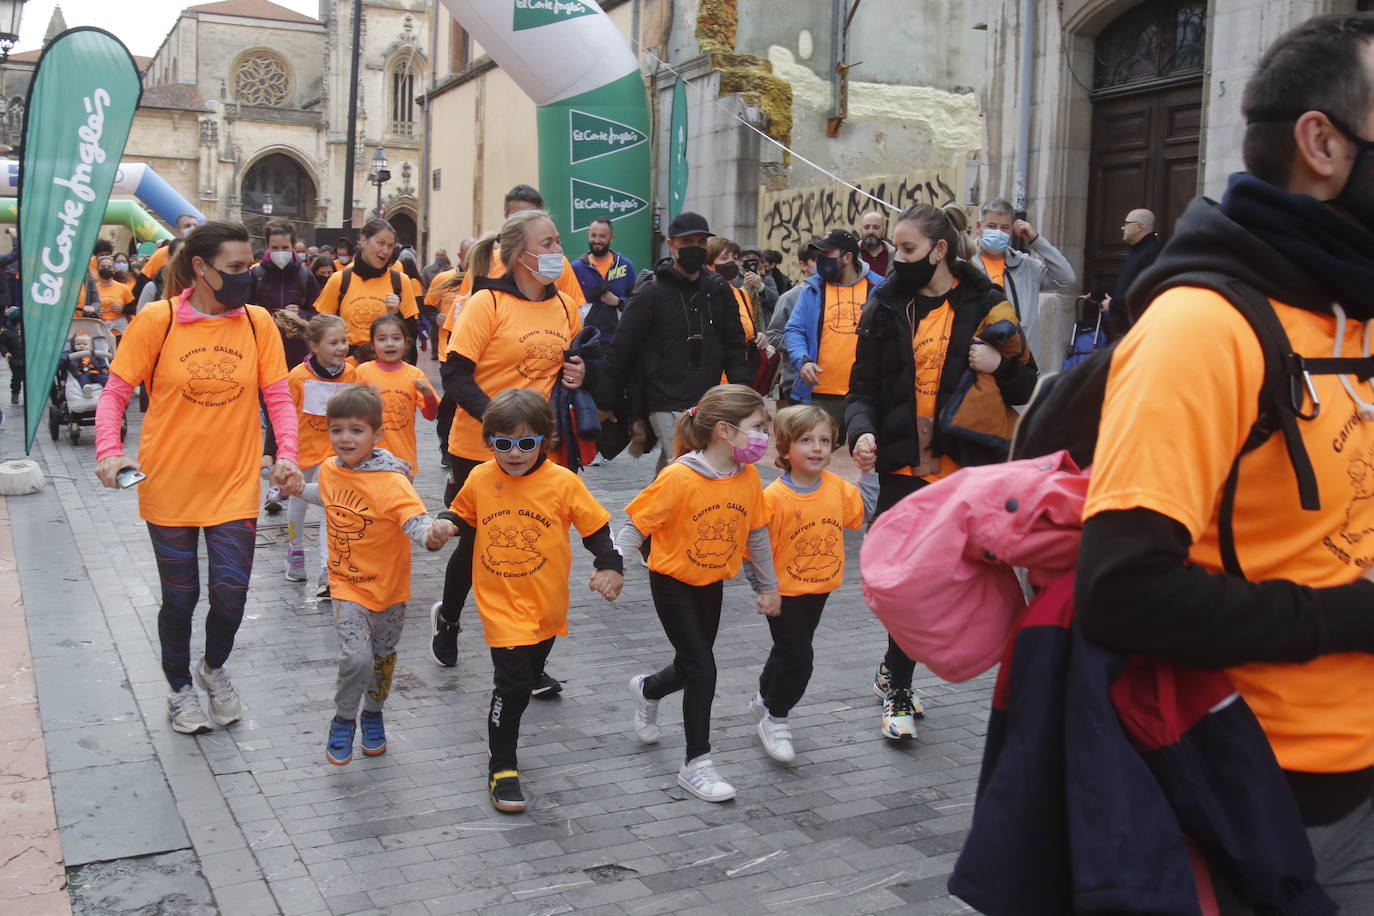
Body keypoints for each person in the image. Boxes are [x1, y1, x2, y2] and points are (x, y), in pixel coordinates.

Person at [1077, 12, 1374, 909]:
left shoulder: (1353, 307)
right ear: (1322, 142)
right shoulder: (1199, 327)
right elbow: (1123, 590)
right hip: (1266, 793)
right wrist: (1353, 619)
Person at [94, 220, 303, 735]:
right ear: (200, 269)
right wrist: (109, 451)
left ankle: (212, 669)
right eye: (235, 268)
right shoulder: (157, 321)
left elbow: (277, 397)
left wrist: (289, 454)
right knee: (181, 596)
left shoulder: (256, 323)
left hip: (234, 486)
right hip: (169, 485)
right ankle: (180, 690)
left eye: (248, 266)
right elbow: (115, 392)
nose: (247, 276)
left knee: (231, 594)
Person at [847, 203, 1037, 741]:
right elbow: (862, 388)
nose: (896, 259)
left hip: (966, 471)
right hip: (904, 470)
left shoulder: (987, 305)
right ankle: (900, 683)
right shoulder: (885, 306)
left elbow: (1024, 386)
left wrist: (1000, 367)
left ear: (938, 251)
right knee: (908, 582)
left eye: (907, 250)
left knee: (967, 582)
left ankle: (927, 672)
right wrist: (861, 431)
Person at [437, 389, 623, 811]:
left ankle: (529, 679)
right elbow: (461, 513)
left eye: (526, 442)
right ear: (489, 443)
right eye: (503, 444)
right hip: (500, 604)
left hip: (547, 604)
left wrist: (611, 564)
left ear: (545, 439)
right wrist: (444, 526)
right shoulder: (483, 477)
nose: (515, 453)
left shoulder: (563, 482)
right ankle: (502, 764)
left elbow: (595, 528)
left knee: (530, 669)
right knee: (513, 684)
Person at [430, 208, 588, 685]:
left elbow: (571, 361)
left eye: (558, 241)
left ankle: (530, 661)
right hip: (481, 444)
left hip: (541, 447)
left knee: (537, 542)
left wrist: (579, 374)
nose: (558, 251)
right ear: (521, 256)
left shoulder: (562, 305)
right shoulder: (486, 304)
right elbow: (455, 375)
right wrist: (502, 423)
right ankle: (451, 617)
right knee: (478, 540)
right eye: (548, 243)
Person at [620, 384, 779, 802]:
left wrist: (767, 586)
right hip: (672, 584)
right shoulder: (679, 477)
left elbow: (756, 535)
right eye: (757, 427)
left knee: (692, 666)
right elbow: (635, 525)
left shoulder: (748, 478)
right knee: (703, 668)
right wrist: (613, 565)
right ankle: (696, 763)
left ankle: (648, 689)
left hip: (711, 584)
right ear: (725, 431)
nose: (763, 436)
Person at [288, 385, 453, 765]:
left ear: (376, 435)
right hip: (346, 585)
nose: (346, 438)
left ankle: (373, 713)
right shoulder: (330, 469)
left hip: (390, 590)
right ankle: (344, 719)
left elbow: (417, 524)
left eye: (356, 430)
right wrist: (301, 488)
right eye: (338, 429)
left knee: (382, 659)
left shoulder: (393, 482)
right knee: (356, 658)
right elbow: (327, 493)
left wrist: (434, 534)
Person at [749, 404, 865, 762]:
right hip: (782, 593)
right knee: (800, 658)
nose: (817, 448)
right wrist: (764, 589)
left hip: (821, 587)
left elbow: (859, 517)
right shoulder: (772, 499)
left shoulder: (839, 488)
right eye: (806, 440)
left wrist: (870, 473)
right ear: (784, 450)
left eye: (824, 440)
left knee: (789, 649)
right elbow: (754, 550)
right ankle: (776, 716)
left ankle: (764, 697)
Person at [595, 212, 749, 473]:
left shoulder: (717, 289)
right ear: (672, 245)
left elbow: (734, 345)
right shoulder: (652, 291)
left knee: (676, 466)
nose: (696, 248)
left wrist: (745, 394)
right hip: (663, 398)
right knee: (687, 465)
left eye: (702, 242)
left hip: (707, 397)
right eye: (688, 241)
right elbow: (622, 348)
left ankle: (651, 513)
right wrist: (604, 401)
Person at [784, 229, 885, 515]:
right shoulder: (813, 289)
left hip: (864, 397)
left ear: (848, 257)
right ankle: (800, 517)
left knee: (870, 460)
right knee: (805, 461)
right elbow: (794, 330)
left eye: (827, 255)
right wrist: (802, 360)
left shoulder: (879, 288)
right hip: (818, 396)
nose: (820, 261)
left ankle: (868, 519)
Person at [281, 314, 356, 587]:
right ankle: (295, 551)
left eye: (344, 341)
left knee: (330, 507)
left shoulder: (352, 373)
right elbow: (284, 414)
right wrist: (281, 453)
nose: (341, 347)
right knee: (298, 503)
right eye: (333, 342)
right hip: (302, 453)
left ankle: (328, 568)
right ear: (314, 347)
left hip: (334, 456)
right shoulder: (298, 377)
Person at [969, 198, 1076, 346]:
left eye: (1005, 228)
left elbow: (1066, 278)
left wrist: (1035, 240)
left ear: (1012, 231)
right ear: (978, 227)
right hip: (976, 355)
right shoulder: (964, 263)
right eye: (992, 226)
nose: (998, 232)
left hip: (1021, 360)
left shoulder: (1026, 266)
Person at [452, 185, 585, 303]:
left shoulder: (558, 263)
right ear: (505, 215)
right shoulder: (486, 263)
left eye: (530, 215)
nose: (522, 222)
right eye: (516, 216)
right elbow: (460, 316)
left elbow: (575, 314)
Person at [313, 219, 419, 359]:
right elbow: (320, 330)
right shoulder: (339, 280)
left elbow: (411, 335)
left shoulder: (400, 281)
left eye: (390, 246)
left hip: (385, 369)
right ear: (363, 241)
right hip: (347, 369)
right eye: (380, 243)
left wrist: (396, 315)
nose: (385, 251)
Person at [353, 313, 439, 477]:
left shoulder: (414, 374)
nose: (390, 344)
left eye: (396, 338)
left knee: (400, 502)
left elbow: (431, 415)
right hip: (368, 457)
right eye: (382, 339)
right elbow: (351, 412)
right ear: (372, 344)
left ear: (406, 343)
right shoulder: (363, 372)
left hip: (402, 459)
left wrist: (427, 394)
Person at [251, 220, 320, 368]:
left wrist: (301, 315)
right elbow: (244, 312)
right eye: (275, 248)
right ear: (267, 247)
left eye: (285, 247)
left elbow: (318, 313)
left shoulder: (305, 275)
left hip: (297, 354)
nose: (280, 252)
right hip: (263, 351)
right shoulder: (257, 275)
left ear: (293, 247)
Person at [707, 238, 769, 380]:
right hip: (713, 382)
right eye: (724, 258)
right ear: (709, 264)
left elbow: (746, 332)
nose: (731, 262)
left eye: (735, 258)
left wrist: (759, 337)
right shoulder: (705, 295)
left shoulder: (741, 295)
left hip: (739, 378)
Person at [765, 244, 819, 408]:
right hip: (794, 382)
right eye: (816, 260)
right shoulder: (790, 298)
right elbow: (773, 334)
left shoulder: (831, 295)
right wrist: (799, 346)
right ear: (803, 265)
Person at [1100, 208, 1164, 338]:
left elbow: (1142, 291)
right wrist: (1097, 292)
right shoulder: (1139, 250)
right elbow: (1125, 281)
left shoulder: (1152, 252)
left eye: (1126, 223)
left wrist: (1112, 305)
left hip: (1135, 327)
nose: (1123, 228)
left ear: (1139, 226)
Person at [570, 217, 637, 341]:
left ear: (611, 238)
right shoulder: (575, 268)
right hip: (585, 342)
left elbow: (638, 303)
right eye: (593, 235)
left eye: (602, 236)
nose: (597, 240)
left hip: (618, 341)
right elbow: (567, 306)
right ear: (588, 235)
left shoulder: (625, 265)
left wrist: (619, 301)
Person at [139, 214, 201, 284]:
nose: (192, 228)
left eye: (195, 225)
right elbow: (143, 280)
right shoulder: (163, 252)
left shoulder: (206, 252)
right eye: (187, 226)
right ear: (178, 232)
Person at [137, 239, 185, 312]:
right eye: (181, 254)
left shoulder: (199, 288)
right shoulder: (152, 287)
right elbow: (141, 319)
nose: (185, 259)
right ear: (169, 257)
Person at [94, 255, 135, 336]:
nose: (106, 268)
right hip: (99, 330)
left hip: (119, 331)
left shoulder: (123, 288)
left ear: (114, 269)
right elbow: (86, 308)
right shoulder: (92, 288)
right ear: (97, 269)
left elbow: (133, 308)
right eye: (103, 266)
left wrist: (123, 309)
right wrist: (95, 312)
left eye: (109, 267)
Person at [68, 331, 110, 397]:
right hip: (82, 373)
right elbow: (72, 364)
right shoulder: (74, 355)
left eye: (84, 344)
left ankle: (109, 390)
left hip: (95, 372)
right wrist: (75, 367)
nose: (81, 346)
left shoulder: (95, 354)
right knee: (83, 378)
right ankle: (86, 389)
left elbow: (101, 361)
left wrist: (104, 368)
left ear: (90, 346)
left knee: (103, 378)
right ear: (73, 346)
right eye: (78, 344)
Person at [858, 211, 896, 276]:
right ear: (861, 230)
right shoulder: (852, 255)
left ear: (884, 231)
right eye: (866, 227)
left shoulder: (895, 256)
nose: (871, 231)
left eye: (876, 227)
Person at [0, 307, 20, 404]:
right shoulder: (6, 332)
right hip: (14, 359)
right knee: (17, 377)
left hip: (26, 359)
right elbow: (2, 344)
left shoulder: (27, 331)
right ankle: (15, 394)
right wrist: (6, 352)